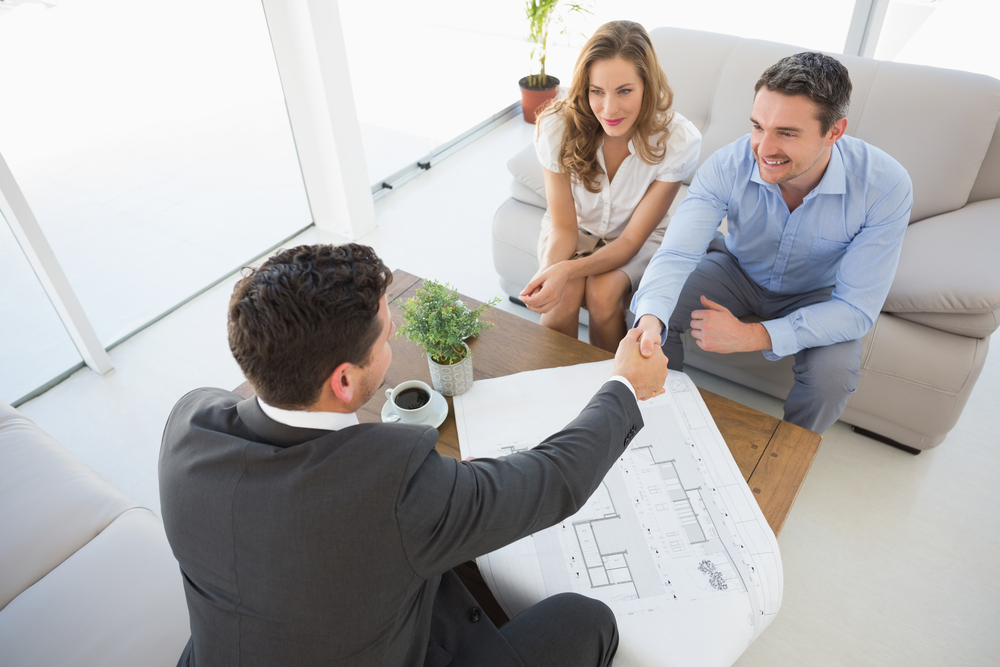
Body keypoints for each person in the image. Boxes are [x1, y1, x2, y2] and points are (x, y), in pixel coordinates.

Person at [159, 243, 668, 666]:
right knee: (585, 623)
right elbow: (557, 479)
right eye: (386, 334)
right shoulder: (393, 486)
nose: (395, 337)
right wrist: (625, 385)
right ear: (342, 379)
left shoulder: (188, 425)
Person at [631, 51, 913, 434]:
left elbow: (855, 309)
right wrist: (651, 321)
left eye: (786, 132)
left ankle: (789, 451)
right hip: (737, 270)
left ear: (834, 131)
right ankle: (664, 421)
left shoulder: (885, 186)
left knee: (833, 376)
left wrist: (752, 335)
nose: (763, 148)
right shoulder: (726, 165)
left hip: (817, 292)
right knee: (648, 316)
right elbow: (677, 253)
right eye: (758, 126)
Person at [519, 20, 702, 352]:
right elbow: (563, 226)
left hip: (638, 238)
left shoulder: (678, 139)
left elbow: (632, 239)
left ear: (647, 85)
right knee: (563, 296)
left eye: (625, 91)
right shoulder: (556, 125)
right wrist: (550, 274)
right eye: (597, 91)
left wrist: (568, 270)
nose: (609, 109)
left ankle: (611, 387)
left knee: (602, 295)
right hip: (575, 229)